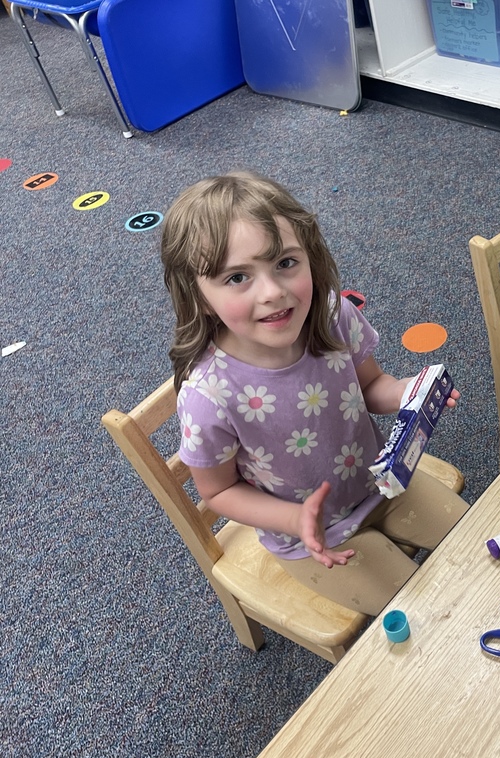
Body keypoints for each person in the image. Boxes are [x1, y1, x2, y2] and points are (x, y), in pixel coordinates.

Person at [160, 171, 468, 616]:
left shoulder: (334, 317)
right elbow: (218, 492)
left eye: (286, 263)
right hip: (310, 536)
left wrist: (407, 394)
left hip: (383, 486)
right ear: (199, 297)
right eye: (237, 277)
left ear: (311, 258)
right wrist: (294, 520)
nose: (272, 292)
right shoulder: (208, 397)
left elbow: (371, 388)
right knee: (433, 613)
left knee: (479, 546)